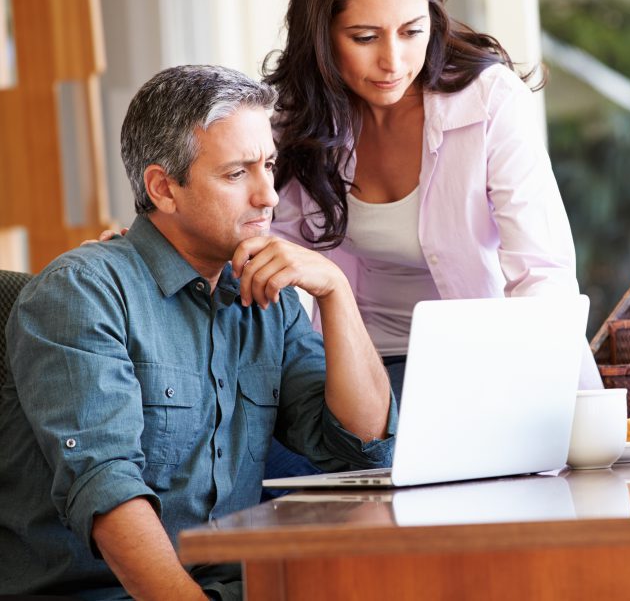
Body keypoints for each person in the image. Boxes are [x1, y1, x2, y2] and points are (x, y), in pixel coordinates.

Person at [0, 65, 395, 600]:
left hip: (238, 584)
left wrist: (335, 293)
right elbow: (108, 492)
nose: (269, 196)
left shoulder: (265, 296)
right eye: (237, 174)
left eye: (269, 166)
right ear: (164, 188)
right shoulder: (81, 293)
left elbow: (362, 448)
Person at [265, 0, 602, 405]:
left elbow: (540, 271)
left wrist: (535, 399)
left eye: (411, 31)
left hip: (484, 367)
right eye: (364, 37)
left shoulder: (488, 100)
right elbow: (275, 251)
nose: (394, 61)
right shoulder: (293, 118)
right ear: (321, 36)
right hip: (351, 372)